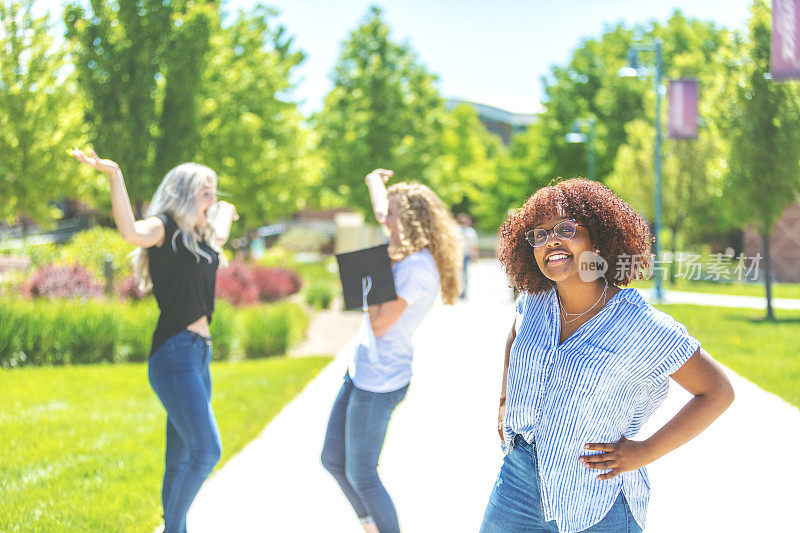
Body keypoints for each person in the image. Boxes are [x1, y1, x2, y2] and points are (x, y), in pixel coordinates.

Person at [480, 178, 734, 533]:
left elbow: (718, 392)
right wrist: (506, 401)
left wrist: (645, 451)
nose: (550, 239)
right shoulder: (533, 302)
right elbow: (514, 336)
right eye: (539, 234)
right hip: (518, 482)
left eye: (566, 228)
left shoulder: (640, 325)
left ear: (598, 239)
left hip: (594, 497)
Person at [70, 149, 238, 533]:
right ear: (186, 194)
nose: (211, 201)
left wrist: (225, 210)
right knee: (207, 450)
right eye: (206, 193)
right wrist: (114, 173)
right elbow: (130, 232)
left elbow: (222, 231)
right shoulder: (163, 228)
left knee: (180, 460)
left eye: (213, 194)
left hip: (198, 356)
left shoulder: (202, 236)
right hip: (174, 355)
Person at [321, 169, 462, 533]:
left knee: (362, 473)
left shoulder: (418, 268)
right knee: (333, 460)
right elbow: (382, 212)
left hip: (382, 379)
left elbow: (381, 322)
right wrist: (372, 182)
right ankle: (371, 527)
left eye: (394, 214)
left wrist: (365, 279)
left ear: (411, 220)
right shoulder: (405, 253)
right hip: (363, 370)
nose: (386, 219)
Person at [457, 213, 479, 299]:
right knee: (458, 274)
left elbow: (474, 246)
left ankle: (463, 292)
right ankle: (459, 291)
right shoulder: (456, 230)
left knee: (464, 274)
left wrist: (474, 256)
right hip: (458, 255)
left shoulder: (470, 232)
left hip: (466, 255)